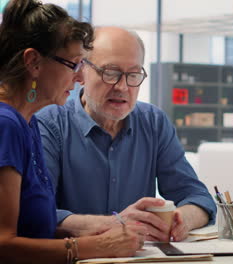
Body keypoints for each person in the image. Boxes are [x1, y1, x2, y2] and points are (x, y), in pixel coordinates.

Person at [36, 26, 216, 242]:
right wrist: (115, 224)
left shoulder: (154, 122)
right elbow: (37, 215)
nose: (122, 87)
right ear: (82, 71)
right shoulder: (48, 124)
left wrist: (181, 219)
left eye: (133, 75)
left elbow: (198, 197)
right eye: (110, 73)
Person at [0, 1, 147, 263]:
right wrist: (95, 246)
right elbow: (3, 245)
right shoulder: (6, 124)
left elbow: (33, 228)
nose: (80, 78)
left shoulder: (28, 121)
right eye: (75, 64)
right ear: (33, 62)